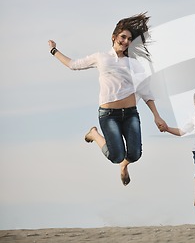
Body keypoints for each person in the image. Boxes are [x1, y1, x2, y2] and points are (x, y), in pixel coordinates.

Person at [48, 12, 167, 186]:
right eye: (123, 37)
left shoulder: (134, 64)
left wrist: (157, 116)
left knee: (134, 155)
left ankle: (124, 166)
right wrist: (54, 50)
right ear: (114, 37)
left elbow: (146, 91)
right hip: (109, 114)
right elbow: (73, 64)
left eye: (129, 39)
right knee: (116, 156)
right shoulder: (101, 58)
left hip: (131, 114)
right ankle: (94, 134)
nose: (126, 41)